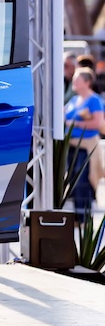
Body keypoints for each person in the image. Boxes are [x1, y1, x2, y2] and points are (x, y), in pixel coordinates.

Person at [64, 67, 103, 222]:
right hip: (71, 145)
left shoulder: (94, 100)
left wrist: (76, 124)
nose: (74, 81)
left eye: (77, 79)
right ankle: (76, 218)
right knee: (73, 182)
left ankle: (84, 219)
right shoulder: (74, 100)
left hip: (85, 147)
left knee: (83, 182)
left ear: (87, 82)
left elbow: (98, 123)